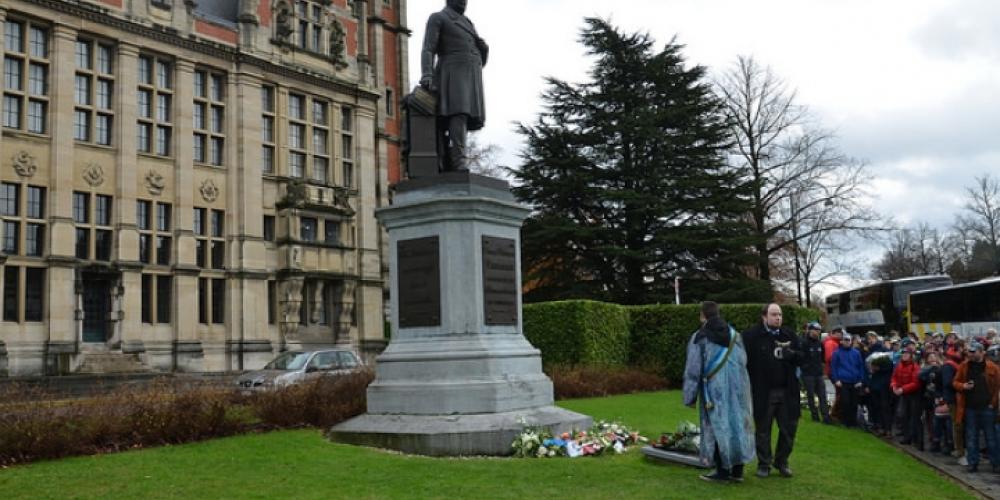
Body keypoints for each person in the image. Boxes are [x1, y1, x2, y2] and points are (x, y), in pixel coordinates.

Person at [682, 302, 755, 483]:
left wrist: (690, 397)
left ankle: (722, 471)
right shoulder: (735, 335)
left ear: (703, 316)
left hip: (714, 392)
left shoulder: (700, 337)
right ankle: (737, 471)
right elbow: (743, 361)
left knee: (717, 427)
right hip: (738, 390)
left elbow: (693, 369)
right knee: (737, 426)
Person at [419, 0, 488, 171]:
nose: (464, 1)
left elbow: (475, 53)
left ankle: (454, 157)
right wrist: (427, 74)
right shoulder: (439, 17)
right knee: (458, 113)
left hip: (470, 75)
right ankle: (458, 160)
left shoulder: (468, 22)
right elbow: (428, 49)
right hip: (451, 72)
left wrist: (484, 50)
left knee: (464, 117)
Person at [743, 303, 801, 478]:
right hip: (763, 391)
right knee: (763, 430)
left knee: (789, 429)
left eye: (780, 315)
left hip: (787, 391)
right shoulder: (751, 336)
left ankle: (782, 461)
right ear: (764, 316)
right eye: (774, 314)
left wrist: (792, 355)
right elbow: (742, 362)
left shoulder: (789, 335)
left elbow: (803, 358)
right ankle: (764, 463)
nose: (778, 318)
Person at [952, 341, 1000, 473]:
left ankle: (996, 463)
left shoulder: (992, 367)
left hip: (987, 408)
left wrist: (992, 404)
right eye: (969, 351)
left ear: (982, 352)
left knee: (991, 437)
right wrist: (963, 386)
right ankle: (973, 463)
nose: (970, 354)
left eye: (973, 352)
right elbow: (955, 382)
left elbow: (997, 388)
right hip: (970, 408)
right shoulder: (964, 366)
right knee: (971, 437)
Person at [831, 333, 868, 428]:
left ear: (851, 341)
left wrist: (861, 380)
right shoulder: (836, 353)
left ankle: (853, 422)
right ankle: (845, 421)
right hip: (843, 381)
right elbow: (834, 367)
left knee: (854, 403)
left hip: (855, 382)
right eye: (845, 340)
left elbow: (861, 366)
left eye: (848, 340)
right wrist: (836, 379)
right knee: (845, 402)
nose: (847, 342)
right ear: (842, 341)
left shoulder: (856, 353)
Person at [891, 347, 923, 450]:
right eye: (903, 353)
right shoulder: (899, 365)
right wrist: (894, 386)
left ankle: (918, 440)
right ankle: (907, 437)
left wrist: (902, 389)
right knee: (903, 415)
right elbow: (894, 377)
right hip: (904, 393)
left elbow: (916, 383)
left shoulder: (915, 367)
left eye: (907, 353)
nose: (904, 355)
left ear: (911, 355)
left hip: (914, 394)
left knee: (915, 417)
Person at [800, 322, 831, 424]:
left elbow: (822, 359)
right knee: (811, 396)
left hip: (818, 373)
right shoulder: (804, 343)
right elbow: (800, 358)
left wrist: (822, 370)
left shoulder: (820, 343)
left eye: (819, 330)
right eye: (816, 330)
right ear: (810, 330)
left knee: (823, 395)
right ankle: (815, 416)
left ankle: (826, 417)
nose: (818, 332)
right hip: (808, 374)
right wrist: (805, 367)